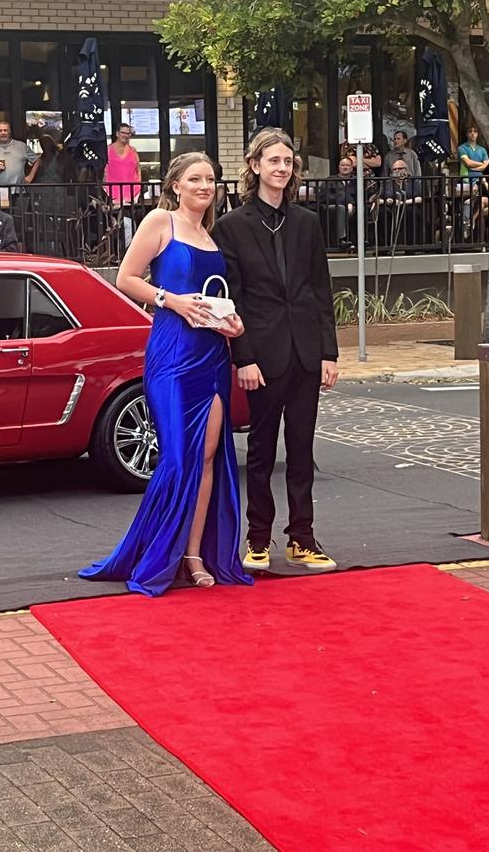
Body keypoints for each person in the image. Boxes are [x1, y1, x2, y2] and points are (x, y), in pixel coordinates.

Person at [79, 152, 253, 596]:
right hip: (172, 357)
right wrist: (171, 300)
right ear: (175, 185)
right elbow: (126, 277)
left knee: (210, 457)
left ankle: (192, 554)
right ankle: (157, 551)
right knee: (176, 458)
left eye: (210, 179)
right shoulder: (160, 222)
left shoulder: (211, 236)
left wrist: (232, 325)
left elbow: (217, 299)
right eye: (195, 178)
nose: (204, 186)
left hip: (213, 354)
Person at [212, 128, 339, 573]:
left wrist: (329, 353)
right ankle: (258, 539)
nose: (282, 168)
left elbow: (320, 290)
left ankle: (302, 537)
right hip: (261, 356)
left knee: (302, 449)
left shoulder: (307, 222)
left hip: (306, 352)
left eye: (288, 161)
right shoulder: (231, 226)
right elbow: (234, 299)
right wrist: (242, 357)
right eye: (274, 161)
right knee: (262, 451)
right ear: (254, 166)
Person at [104, 123, 142, 250]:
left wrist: (137, 189)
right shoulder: (108, 150)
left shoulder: (133, 151)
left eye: (128, 133)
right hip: (111, 195)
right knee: (119, 224)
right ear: (117, 134)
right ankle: (118, 252)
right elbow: (103, 171)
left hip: (131, 195)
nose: (126, 136)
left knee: (129, 222)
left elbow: (138, 170)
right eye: (123, 133)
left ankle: (128, 251)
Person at [0, 121, 38, 188]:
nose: (3, 133)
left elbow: (37, 160)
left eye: (5, 130)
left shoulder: (21, 146)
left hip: (19, 189)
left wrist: (30, 176)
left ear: (10, 131)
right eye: (0, 131)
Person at [317, 156, 357, 250]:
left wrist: (352, 203)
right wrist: (345, 203)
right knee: (341, 208)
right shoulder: (330, 180)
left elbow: (361, 195)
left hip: (352, 207)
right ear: (339, 167)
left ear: (352, 168)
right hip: (332, 207)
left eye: (347, 165)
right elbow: (324, 196)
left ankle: (361, 240)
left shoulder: (356, 181)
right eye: (342, 165)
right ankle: (342, 239)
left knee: (361, 209)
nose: (345, 167)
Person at [457, 125, 489, 239]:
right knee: (468, 202)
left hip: (480, 180)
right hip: (466, 180)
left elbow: (486, 163)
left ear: (477, 134)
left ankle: (471, 221)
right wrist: (480, 164)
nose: (472, 134)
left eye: (475, 132)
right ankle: (467, 224)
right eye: (470, 131)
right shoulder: (462, 148)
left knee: (482, 199)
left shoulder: (482, 149)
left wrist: (478, 166)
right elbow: (467, 163)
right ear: (466, 134)